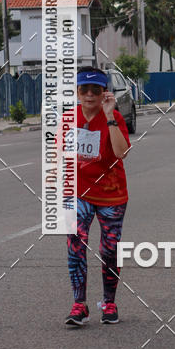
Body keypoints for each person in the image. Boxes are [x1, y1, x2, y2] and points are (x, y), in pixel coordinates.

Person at [65, 68, 131, 327]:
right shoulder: (68, 118)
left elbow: (121, 152)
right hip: (78, 192)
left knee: (111, 249)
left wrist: (110, 117)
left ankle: (109, 302)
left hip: (111, 193)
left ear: (105, 92)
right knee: (76, 242)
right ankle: (79, 304)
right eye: (84, 89)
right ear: (78, 92)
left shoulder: (113, 117)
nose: (90, 94)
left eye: (96, 90)